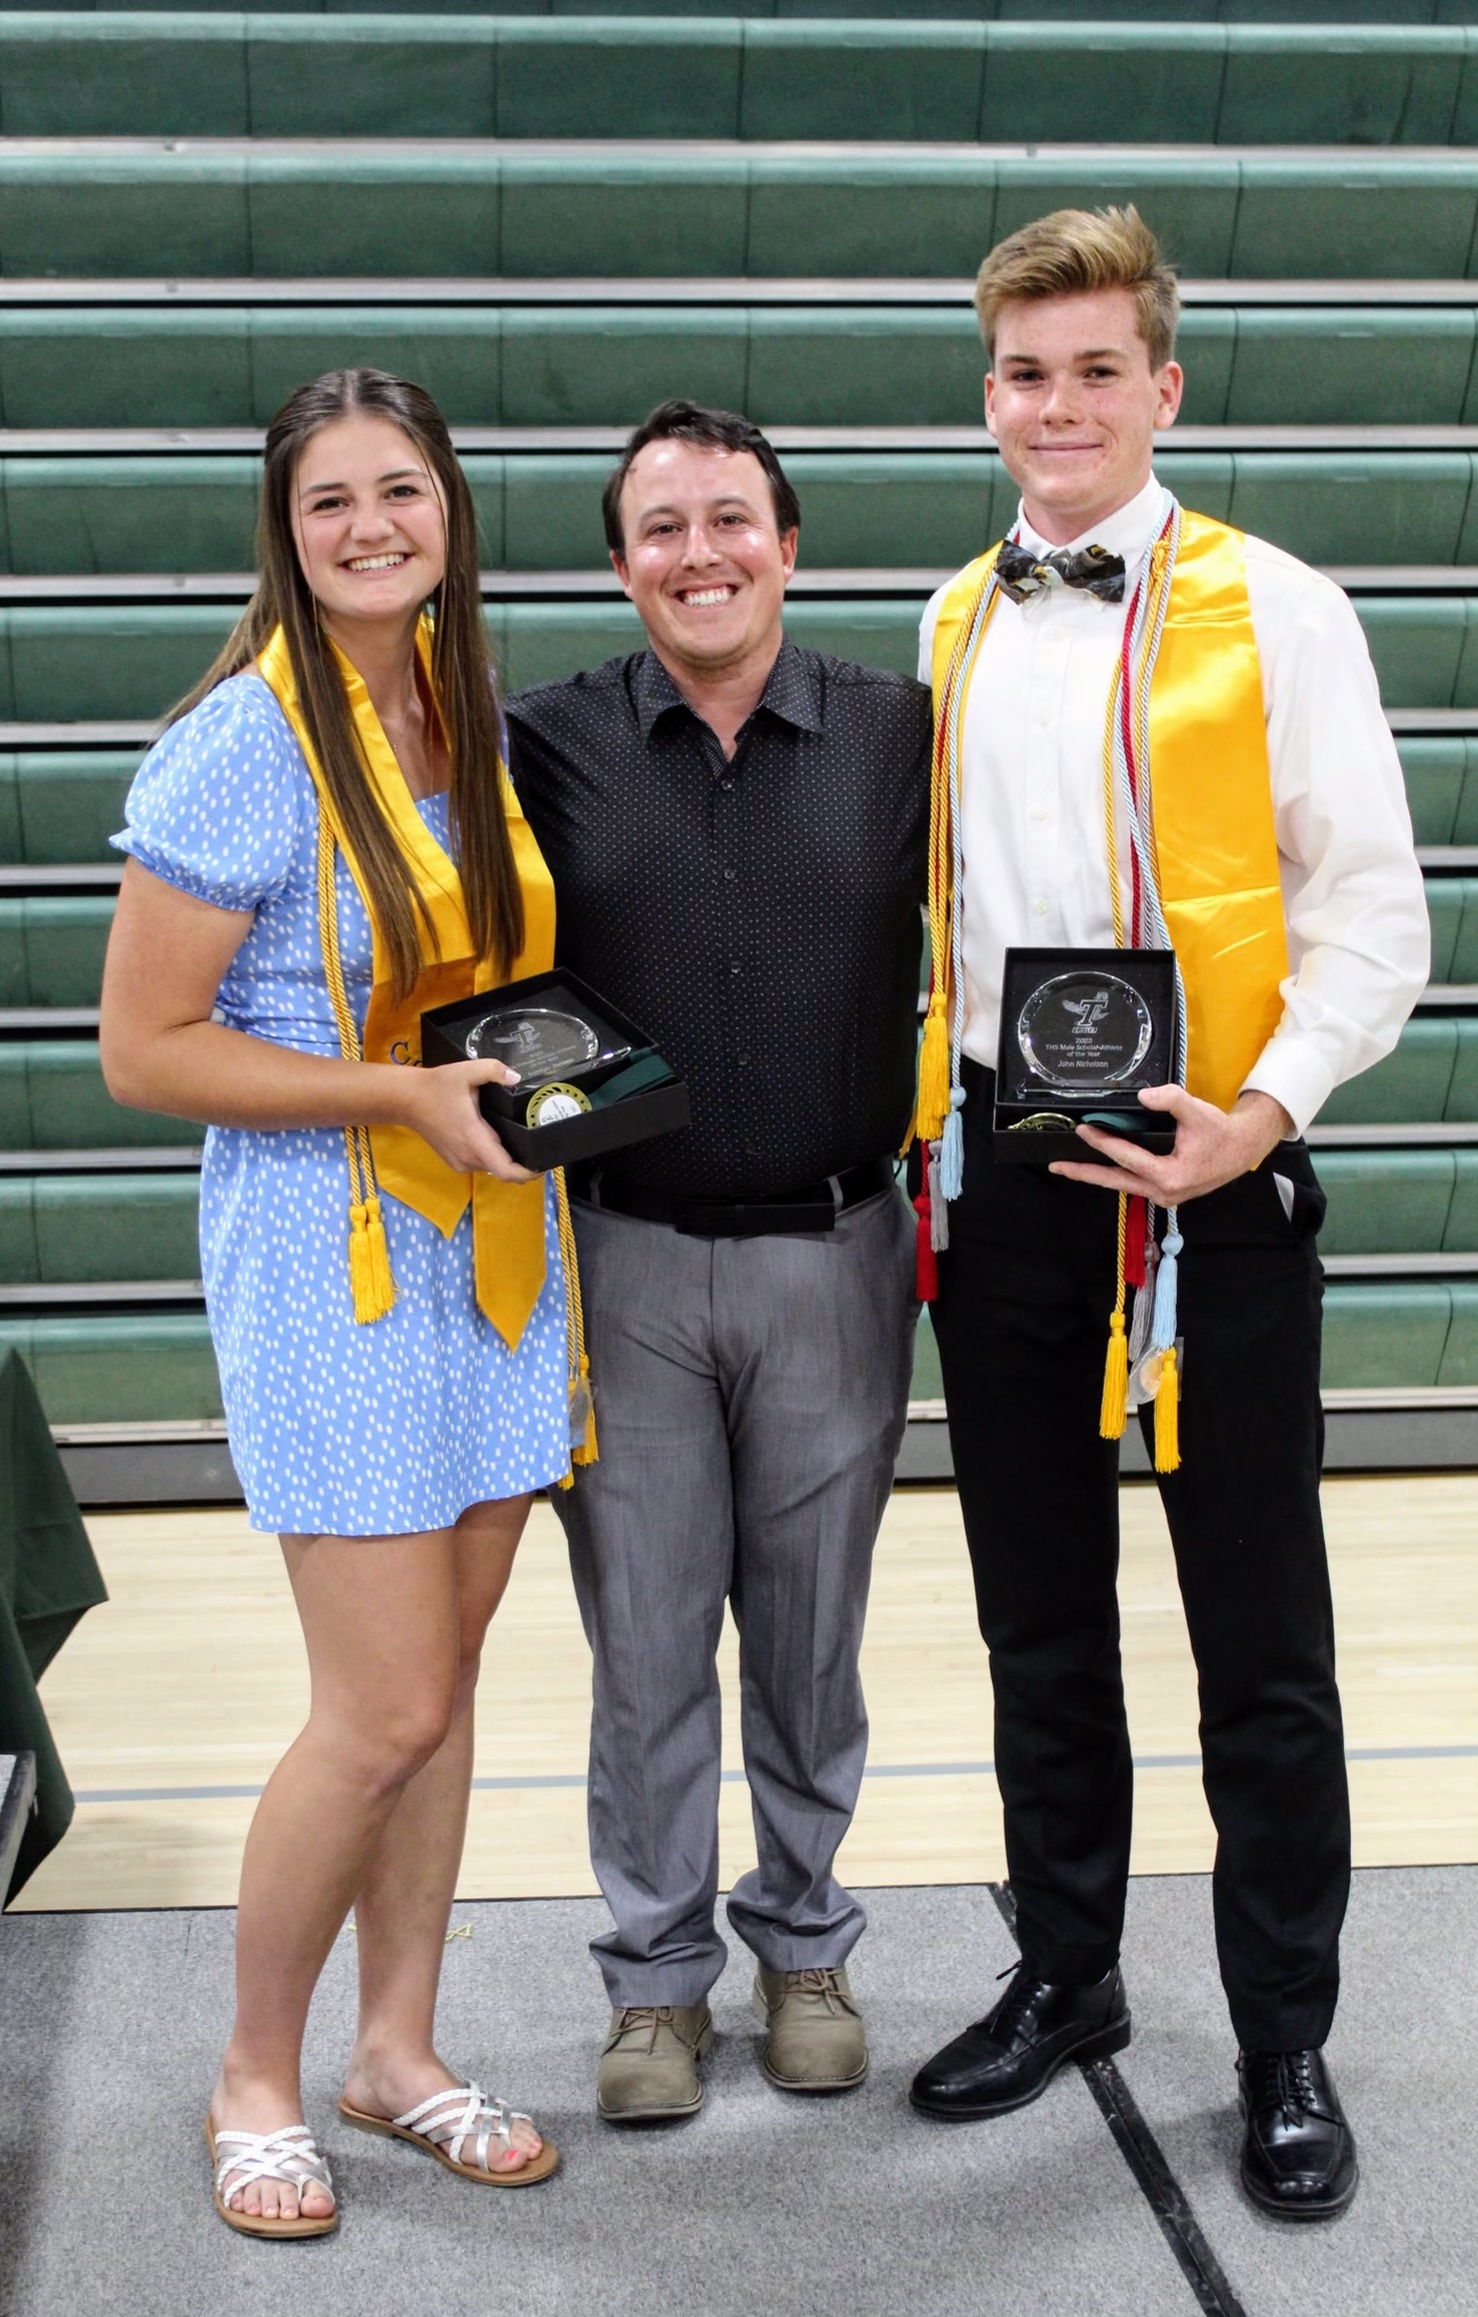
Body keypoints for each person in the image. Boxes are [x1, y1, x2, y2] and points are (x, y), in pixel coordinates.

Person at [905, 211, 1430, 2219]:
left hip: (1220, 1179)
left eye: (1097, 370)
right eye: (1027, 374)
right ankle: (1071, 1968)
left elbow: (1378, 915)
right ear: (989, 396)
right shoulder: (955, 620)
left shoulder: (1278, 609)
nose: (1059, 405)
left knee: (1258, 1636)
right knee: (1039, 1619)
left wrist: (1260, 1115)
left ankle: (1285, 2033)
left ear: (1165, 387)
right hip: (1014, 1191)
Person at [100, 368, 579, 2237]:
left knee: (446, 1694)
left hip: (491, 1251)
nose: (372, 524)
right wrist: (393, 1093)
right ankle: (253, 2072)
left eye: (401, 489)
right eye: (330, 504)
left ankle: (399, 2048)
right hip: (332, 1263)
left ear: (448, 506)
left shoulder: (465, 717)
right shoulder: (242, 740)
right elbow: (146, 1047)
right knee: (372, 1709)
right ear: (285, 538)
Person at [505, 400, 930, 2122]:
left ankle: (807, 1940)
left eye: (732, 519)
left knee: (814, 1636)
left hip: (838, 1248)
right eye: (663, 528)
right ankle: (657, 1983)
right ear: (620, 565)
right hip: (624, 1259)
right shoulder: (546, 742)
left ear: (789, 544)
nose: (702, 553)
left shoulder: (907, 734)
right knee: (649, 1639)